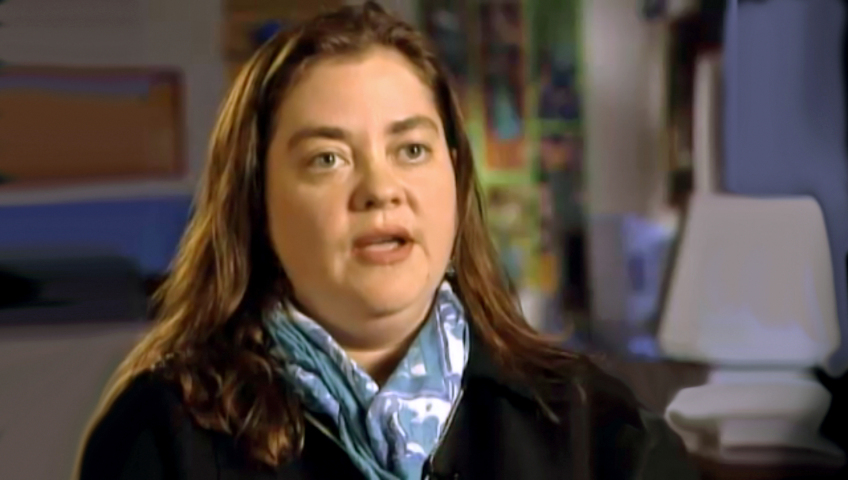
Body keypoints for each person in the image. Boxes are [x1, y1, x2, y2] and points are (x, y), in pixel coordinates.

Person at [75, 3, 698, 479]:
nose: (380, 189)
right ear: (257, 203)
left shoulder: (597, 429)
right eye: (327, 158)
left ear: (455, 177)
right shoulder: (161, 437)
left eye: (412, 150)